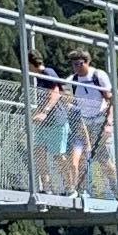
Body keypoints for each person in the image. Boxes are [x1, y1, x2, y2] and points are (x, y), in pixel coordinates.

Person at [70, 48, 116, 200]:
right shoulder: (73, 79)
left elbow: (111, 99)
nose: (76, 67)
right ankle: (81, 192)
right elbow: (67, 96)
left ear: (87, 62)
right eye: (74, 64)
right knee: (82, 157)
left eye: (79, 63)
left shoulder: (98, 75)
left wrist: (109, 122)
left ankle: (117, 191)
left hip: (99, 121)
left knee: (104, 159)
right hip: (83, 123)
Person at [29, 52, 75, 197]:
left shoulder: (47, 72)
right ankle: (46, 187)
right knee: (39, 152)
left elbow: (55, 92)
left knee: (57, 155)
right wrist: (37, 112)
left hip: (56, 120)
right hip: (44, 123)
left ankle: (70, 188)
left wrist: (45, 112)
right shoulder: (38, 77)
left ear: (30, 63)